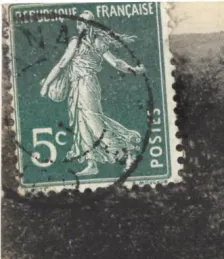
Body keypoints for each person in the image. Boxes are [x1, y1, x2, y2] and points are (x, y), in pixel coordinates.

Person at [39, 10, 146, 176]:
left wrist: (133, 70)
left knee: (93, 119)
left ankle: (124, 152)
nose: (83, 25)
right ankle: (92, 163)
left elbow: (116, 62)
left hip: (88, 84)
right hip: (75, 85)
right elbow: (62, 64)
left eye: (87, 22)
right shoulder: (75, 42)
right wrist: (46, 84)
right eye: (80, 22)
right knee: (81, 124)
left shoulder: (98, 42)